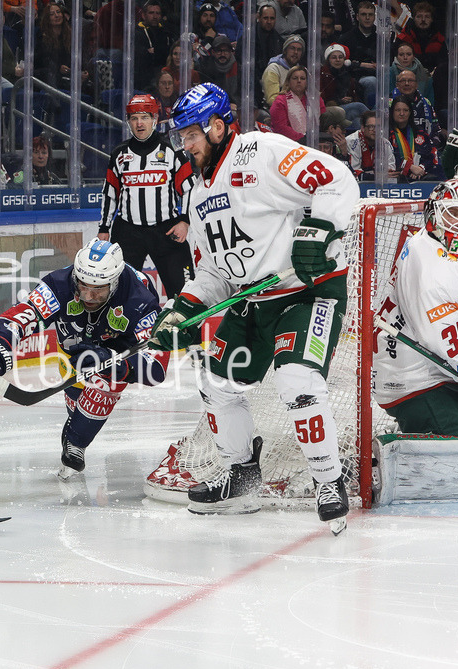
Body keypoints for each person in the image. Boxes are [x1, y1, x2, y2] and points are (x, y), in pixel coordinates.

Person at [152, 83, 359, 529]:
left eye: (189, 135)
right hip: (253, 303)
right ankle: (241, 473)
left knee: (296, 380)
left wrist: (318, 230)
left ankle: (329, 478)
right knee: (216, 381)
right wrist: (184, 309)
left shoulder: (261, 152)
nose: (183, 145)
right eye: (181, 137)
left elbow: (337, 178)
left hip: (307, 292)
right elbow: (212, 273)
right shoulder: (198, 194)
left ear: (218, 126)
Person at [0, 238, 169, 477]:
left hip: (117, 350)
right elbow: (23, 315)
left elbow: (155, 369)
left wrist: (111, 360)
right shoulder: (59, 284)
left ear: (113, 284)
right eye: (83, 287)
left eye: (98, 290)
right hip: (73, 346)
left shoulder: (140, 299)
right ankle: (77, 429)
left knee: (103, 386)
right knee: (78, 403)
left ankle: (77, 441)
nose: (88, 296)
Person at [375, 177, 458, 437]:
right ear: (434, 214)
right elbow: (453, 350)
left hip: (439, 371)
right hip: (414, 381)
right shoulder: (433, 272)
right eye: (453, 213)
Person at [97, 94, 194, 300]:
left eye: (145, 117)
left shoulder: (172, 150)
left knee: (184, 295)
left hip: (167, 230)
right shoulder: (119, 154)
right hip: (128, 233)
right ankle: (125, 333)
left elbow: (189, 188)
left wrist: (184, 221)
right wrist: (104, 229)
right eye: (134, 118)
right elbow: (110, 193)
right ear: (128, 122)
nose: (139, 123)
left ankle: (183, 333)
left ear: (155, 120)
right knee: (119, 295)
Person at [389, 94, 442, 182]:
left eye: (405, 110)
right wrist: (409, 167)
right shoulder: (386, 134)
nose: (402, 113)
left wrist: (421, 168)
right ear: (392, 112)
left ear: (410, 113)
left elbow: (431, 155)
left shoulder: (420, 132)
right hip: (395, 177)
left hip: (419, 176)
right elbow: (386, 158)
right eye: (398, 110)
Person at [347, 109, 396, 181]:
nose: (375, 130)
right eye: (371, 127)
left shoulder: (386, 143)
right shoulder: (352, 141)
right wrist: (378, 176)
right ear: (363, 128)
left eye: (378, 127)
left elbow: (390, 171)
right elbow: (354, 173)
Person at [262, 34, 305, 108]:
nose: (295, 52)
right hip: (277, 109)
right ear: (285, 51)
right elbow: (272, 99)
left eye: (299, 50)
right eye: (292, 48)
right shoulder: (273, 69)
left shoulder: (302, 71)